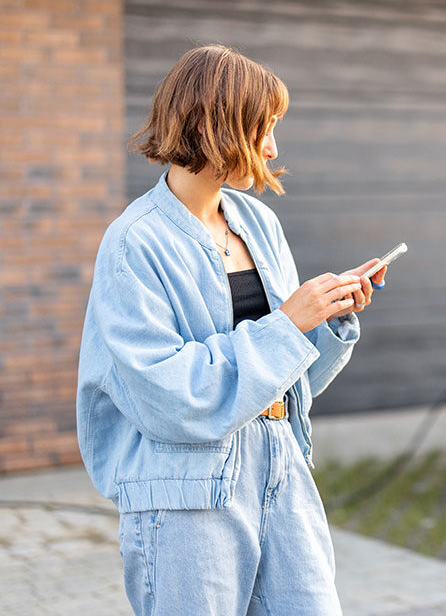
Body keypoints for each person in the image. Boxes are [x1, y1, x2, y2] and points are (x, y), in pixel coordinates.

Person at [75, 44, 385, 615]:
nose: (270, 148)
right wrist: (288, 324)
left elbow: (286, 382)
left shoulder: (259, 223)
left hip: (280, 469)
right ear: (214, 126)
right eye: (261, 129)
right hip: (185, 490)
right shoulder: (134, 242)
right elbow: (170, 396)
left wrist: (329, 320)